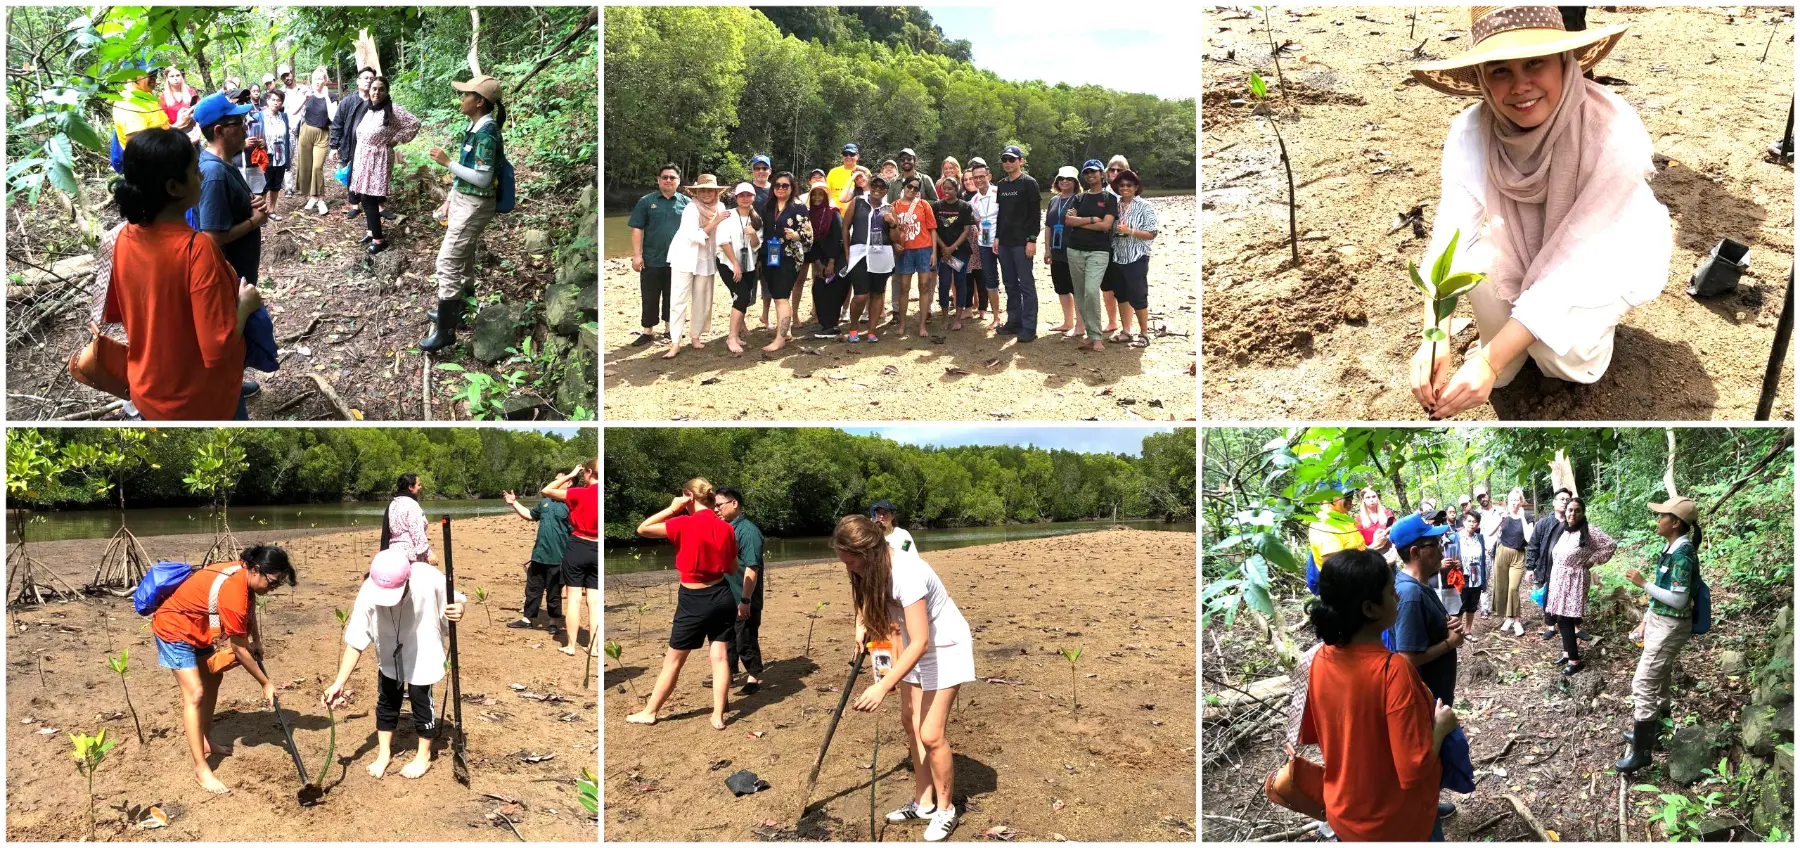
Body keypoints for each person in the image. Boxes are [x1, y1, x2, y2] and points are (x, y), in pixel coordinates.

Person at [1409, 8, 1668, 418]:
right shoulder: (1472, 131)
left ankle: (1578, 346)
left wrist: (1487, 361)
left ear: (1565, 63)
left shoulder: (1615, 135)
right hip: (1519, 241)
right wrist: (1434, 331)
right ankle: (1507, 348)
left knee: (1561, 356)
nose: (1519, 86)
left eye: (1535, 64)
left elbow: (1575, 265)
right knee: (1478, 270)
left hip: (1600, 256)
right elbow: (1451, 234)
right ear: (1481, 78)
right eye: (1499, 71)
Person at [1299, 547, 1458, 841]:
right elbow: (1414, 768)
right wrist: (1441, 726)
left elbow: (1314, 733)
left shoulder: (1320, 658)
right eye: (1390, 591)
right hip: (1394, 821)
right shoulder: (1393, 671)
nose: (1397, 597)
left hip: (1344, 811)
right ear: (1370, 609)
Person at [106, 127, 264, 420]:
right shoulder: (197, 250)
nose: (201, 176)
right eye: (194, 171)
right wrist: (244, 305)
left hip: (148, 390)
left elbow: (127, 310)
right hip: (200, 400)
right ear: (174, 187)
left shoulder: (123, 237)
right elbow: (218, 348)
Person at [835, 514, 975, 843]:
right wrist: (864, 631)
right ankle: (923, 802)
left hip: (944, 647)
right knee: (910, 721)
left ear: (868, 553)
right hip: (911, 643)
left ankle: (946, 810)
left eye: (851, 562)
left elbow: (923, 640)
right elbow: (874, 606)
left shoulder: (907, 573)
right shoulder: (866, 566)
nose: (849, 568)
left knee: (930, 732)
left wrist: (883, 685)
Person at [151, 545, 297, 793]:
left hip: (198, 630)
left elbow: (248, 614)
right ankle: (201, 769)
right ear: (257, 570)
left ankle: (205, 739)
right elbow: (239, 650)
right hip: (173, 629)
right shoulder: (234, 589)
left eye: (277, 586)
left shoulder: (245, 576)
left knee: (213, 679)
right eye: (272, 583)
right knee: (195, 693)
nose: (272, 589)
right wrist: (265, 683)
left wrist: (257, 640)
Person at [322, 544, 465, 779]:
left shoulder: (428, 577)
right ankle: (384, 753)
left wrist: (458, 609)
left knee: (421, 698)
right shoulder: (369, 590)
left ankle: (423, 756)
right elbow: (356, 640)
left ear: (408, 578)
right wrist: (339, 682)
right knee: (387, 698)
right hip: (390, 649)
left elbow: (456, 600)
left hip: (422, 645)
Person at [630, 478, 739, 729]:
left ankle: (650, 712)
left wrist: (672, 508)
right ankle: (718, 715)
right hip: (722, 595)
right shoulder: (726, 528)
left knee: (674, 661)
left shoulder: (682, 523)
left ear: (688, 496)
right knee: (720, 657)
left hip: (693, 600)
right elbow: (732, 568)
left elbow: (643, 529)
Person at [1616, 496, 1702, 772]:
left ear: (1675, 523)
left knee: (1642, 683)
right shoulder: (1670, 548)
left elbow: (1678, 600)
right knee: (1660, 679)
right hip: (1659, 623)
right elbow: (1662, 598)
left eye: (1662, 516)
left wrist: (1643, 583)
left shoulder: (1683, 555)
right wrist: (1644, 622)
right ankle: (1656, 736)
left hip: (1671, 627)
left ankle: (1642, 752)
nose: (1658, 520)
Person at [422, 75, 506, 352]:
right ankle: (458, 313)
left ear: (479, 101)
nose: (462, 99)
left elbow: (482, 179)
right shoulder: (475, 127)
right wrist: (449, 199)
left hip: (475, 204)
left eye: (466, 94)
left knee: (446, 263)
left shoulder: (486, 134)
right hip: (462, 199)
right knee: (465, 257)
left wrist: (447, 162)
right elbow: (467, 176)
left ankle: (446, 331)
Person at [1388, 513, 1464, 822]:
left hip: (1433, 691)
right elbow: (1406, 657)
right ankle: (1423, 815)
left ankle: (1429, 804)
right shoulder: (1408, 595)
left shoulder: (1418, 587)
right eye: (1434, 544)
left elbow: (1422, 633)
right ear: (1416, 552)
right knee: (1423, 753)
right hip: (1422, 695)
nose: (1442, 550)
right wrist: (1450, 644)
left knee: (1432, 753)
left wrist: (1448, 627)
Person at [190, 92, 269, 290]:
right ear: (219, 131)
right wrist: (254, 221)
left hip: (240, 276)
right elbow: (211, 237)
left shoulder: (224, 163)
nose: (245, 128)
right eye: (238, 122)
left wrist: (251, 203)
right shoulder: (213, 172)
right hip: (229, 282)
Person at [1540, 495, 1616, 674]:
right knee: (1559, 617)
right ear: (1565, 513)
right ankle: (1567, 652)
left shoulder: (1589, 531)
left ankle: (1574, 661)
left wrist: (1592, 560)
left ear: (1583, 513)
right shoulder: (1566, 530)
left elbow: (1610, 545)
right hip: (1559, 578)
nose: (1573, 513)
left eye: (1577, 510)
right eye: (1570, 510)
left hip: (1574, 579)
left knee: (1566, 619)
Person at [663, 174, 735, 359]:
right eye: (703, 190)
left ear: (716, 192)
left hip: (706, 257)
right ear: (697, 192)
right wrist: (716, 221)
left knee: (702, 298)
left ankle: (696, 336)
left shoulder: (720, 207)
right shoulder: (690, 208)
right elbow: (694, 235)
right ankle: (675, 342)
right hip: (684, 256)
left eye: (710, 190)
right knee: (679, 299)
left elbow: (724, 233)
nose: (707, 194)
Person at [348, 77, 420, 256]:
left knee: (369, 198)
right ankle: (372, 232)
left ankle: (379, 240)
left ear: (387, 92)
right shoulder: (369, 108)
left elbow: (414, 123)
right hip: (362, 158)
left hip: (378, 158)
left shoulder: (393, 109)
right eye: (373, 89)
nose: (376, 92)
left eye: (381, 89)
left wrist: (396, 139)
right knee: (363, 197)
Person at [540, 462, 600, 657]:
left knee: (573, 599)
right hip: (597, 548)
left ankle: (571, 646)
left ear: (589, 472)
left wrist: (571, 474)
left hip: (578, 545)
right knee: (594, 602)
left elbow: (547, 490)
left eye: (584, 473)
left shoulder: (580, 492)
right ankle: (594, 647)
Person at [628, 164, 688, 346]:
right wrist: (637, 255)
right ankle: (647, 331)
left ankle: (670, 330)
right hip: (651, 258)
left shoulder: (686, 203)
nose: (668, 180)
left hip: (677, 260)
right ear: (658, 180)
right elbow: (637, 228)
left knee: (673, 296)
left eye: (672, 177)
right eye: (665, 177)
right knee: (650, 296)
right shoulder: (646, 201)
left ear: (678, 181)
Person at [714, 487, 765, 696]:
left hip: (745, 597)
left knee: (746, 638)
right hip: (726, 596)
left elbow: (752, 568)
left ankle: (754, 676)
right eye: (714, 505)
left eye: (720, 505)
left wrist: (745, 599)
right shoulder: (725, 529)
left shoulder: (748, 531)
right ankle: (730, 672)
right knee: (728, 638)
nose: (716, 509)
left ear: (734, 503)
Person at [1063, 160, 1118, 354]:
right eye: (1087, 172)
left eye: (1094, 171)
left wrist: (1081, 222)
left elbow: (1106, 226)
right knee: (1079, 292)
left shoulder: (1109, 198)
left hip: (1098, 251)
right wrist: (1093, 219)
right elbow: (1069, 220)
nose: (1090, 175)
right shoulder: (1079, 198)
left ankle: (1096, 336)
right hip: (1075, 249)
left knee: (1092, 291)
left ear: (1102, 174)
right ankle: (1090, 332)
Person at [502, 486, 568, 637]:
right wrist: (513, 503)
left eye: (559, 480)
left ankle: (553, 622)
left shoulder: (572, 504)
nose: (555, 484)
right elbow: (530, 515)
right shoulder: (545, 502)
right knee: (532, 589)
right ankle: (527, 619)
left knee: (554, 592)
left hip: (559, 557)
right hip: (539, 555)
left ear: (569, 483)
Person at [993, 146, 1041, 342]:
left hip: (1022, 243)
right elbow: (1001, 214)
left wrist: (1032, 239)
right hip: (1004, 242)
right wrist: (996, 237)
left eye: (1012, 159)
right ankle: (1014, 321)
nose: (1007, 163)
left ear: (1020, 161)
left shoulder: (1029, 183)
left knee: (1026, 285)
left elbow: (1035, 215)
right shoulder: (1002, 185)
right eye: (1004, 159)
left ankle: (1029, 327)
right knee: (1010, 284)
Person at [758, 172, 809, 353]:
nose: (780, 188)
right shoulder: (767, 206)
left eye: (785, 185)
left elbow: (808, 236)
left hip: (789, 258)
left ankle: (780, 339)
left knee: (780, 297)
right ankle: (785, 332)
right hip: (769, 257)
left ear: (792, 187)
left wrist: (796, 235)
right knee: (778, 296)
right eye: (777, 185)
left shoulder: (798, 207)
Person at [1109, 169, 1159, 348]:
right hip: (1118, 256)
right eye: (1121, 185)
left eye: (1129, 185)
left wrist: (1131, 231)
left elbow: (1152, 233)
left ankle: (1144, 333)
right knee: (1121, 295)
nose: (1125, 188)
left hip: (1137, 256)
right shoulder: (1114, 205)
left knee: (1138, 295)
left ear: (1136, 187)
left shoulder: (1145, 206)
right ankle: (1126, 331)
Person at [843, 174, 896, 343]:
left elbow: (895, 237)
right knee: (860, 295)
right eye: (875, 185)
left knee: (878, 293)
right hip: (860, 254)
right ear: (870, 185)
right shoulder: (858, 202)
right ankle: (853, 327)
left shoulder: (889, 208)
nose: (877, 189)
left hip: (882, 254)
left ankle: (872, 331)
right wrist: (847, 251)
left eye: (881, 187)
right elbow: (845, 227)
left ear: (886, 190)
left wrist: (893, 223)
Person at [718, 183, 763, 355]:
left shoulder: (757, 218)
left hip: (749, 264)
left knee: (743, 298)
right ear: (736, 198)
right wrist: (735, 263)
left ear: (753, 197)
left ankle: (735, 335)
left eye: (748, 195)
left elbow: (756, 246)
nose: (745, 198)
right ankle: (731, 337)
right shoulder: (728, 216)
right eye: (741, 195)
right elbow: (723, 242)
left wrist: (752, 233)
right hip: (728, 263)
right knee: (742, 296)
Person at [891, 177, 939, 336]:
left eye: (916, 188)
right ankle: (903, 323)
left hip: (924, 249)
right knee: (904, 287)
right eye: (909, 187)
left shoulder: (923, 205)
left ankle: (922, 325)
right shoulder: (894, 206)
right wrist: (894, 244)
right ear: (903, 187)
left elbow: (932, 229)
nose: (912, 190)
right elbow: (892, 230)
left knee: (924, 286)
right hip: (905, 251)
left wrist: (934, 252)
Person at [330, 67, 378, 221]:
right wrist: (333, 146)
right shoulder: (347, 102)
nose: (368, 81)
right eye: (365, 78)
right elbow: (337, 123)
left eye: (371, 78)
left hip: (370, 147)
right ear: (358, 81)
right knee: (351, 174)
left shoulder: (377, 101)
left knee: (370, 173)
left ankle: (372, 203)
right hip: (350, 145)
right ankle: (354, 205)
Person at [1526, 487, 1574, 636]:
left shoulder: (1573, 523)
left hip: (1566, 568)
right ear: (1554, 502)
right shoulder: (1543, 523)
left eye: (1567, 500)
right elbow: (1534, 545)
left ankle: (1571, 626)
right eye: (1561, 499)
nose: (1564, 502)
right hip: (1545, 566)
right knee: (1546, 596)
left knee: (1567, 596)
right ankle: (1551, 626)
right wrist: (1530, 567)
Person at [804, 179, 846, 339]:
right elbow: (811, 241)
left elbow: (838, 239)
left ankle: (832, 325)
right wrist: (818, 263)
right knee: (818, 289)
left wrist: (831, 262)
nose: (817, 198)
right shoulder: (809, 216)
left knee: (834, 290)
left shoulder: (833, 213)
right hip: (819, 259)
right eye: (814, 195)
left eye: (820, 195)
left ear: (826, 196)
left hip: (836, 258)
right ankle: (824, 324)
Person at [932, 176, 975, 331]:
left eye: (950, 189)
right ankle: (944, 316)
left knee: (960, 282)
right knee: (943, 283)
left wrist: (953, 248)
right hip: (943, 253)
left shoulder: (964, 206)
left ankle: (958, 317)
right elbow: (933, 230)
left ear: (957, 190)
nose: (947, 191)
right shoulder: (936, 206)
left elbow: (966, 230)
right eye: (945, 188)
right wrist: (944, 248)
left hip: (960, 251)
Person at [293, 67, 338, 215]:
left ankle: (321, 200)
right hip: (306, 132)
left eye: (321, 78)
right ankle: (312, 196)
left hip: (322, 133)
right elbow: (293, 111)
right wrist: (304, 99)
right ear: (312, 81)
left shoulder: (332, 97)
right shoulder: (307, 94)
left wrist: (325, 97)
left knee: (317, 167)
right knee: (306, 166)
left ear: (325, 80)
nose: (318, 82)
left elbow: (333, 117)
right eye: (316, 79)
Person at [1042, 166, 1080, 336]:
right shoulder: (1053, 201)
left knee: (1076, 288)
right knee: (1061, 287)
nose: (1065, 181)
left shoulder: (1079, 199)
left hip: (1073, 250)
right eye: (1061, 178)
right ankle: (1067, 321)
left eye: (1069, 179)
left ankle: (1080, 324)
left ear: (1075, 182)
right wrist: (1047, 249)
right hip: (1056, 251)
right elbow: (1048, 227)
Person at [1489, 488, 1530, 636]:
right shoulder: (1502, 515)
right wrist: (1501, 520)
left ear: (1521, 501)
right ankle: (1508, 617)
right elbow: (1489, 533)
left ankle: (1517, 621)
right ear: (1508, 502)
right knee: (1503, 586)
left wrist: (1523, 518)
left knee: (1513, 588)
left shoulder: (1528, 517)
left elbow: (1529, 538)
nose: (1514, 503)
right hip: (1502, 552)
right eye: (1511, 500)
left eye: (1517, 500)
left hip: (1518, 555)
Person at [1098, 155, 1132, 337]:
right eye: (1112, 169)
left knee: (1125, 288)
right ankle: (1111, 322)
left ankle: (1127, 327)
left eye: (1120, 170)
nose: (1115, 173)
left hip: (1126, 248)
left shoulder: (1131, 193)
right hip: (1104, 246)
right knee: (1107, 287)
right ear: (1106, 172)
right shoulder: (1101, 193)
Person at [967, 161, 1001, 329]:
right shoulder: (973, 200)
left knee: (1010, 278)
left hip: (1003, 242)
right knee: (990, 279)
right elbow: (978, 221)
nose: (978, 180)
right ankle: (996, 317)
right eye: (975, 178)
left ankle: (1017, 315)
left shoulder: (999, 192)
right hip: (984, 244)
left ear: (989, 176)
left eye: (982, 176)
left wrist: (999, 237)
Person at [1444, 511, 1489, 639]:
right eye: (1469, 521)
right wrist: (1455, 563)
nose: (1472, 524)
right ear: (1463, 521)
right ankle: (1455, 633)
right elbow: (1450, 557)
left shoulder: (1479, 538)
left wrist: (1484, 580)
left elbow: (1483, 559)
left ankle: (1468, 631)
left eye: (1475, 521)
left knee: (1472, 605)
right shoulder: (1454, 537)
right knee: (1459, 606)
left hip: (1477, 576)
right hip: (1461, 576)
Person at [113, 57, 172, 152]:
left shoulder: (146, 95)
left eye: (155, 73)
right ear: (132, 76)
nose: (155, 77)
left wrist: (179, 126)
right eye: (150, 73)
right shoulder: (128, 106)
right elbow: (141, 152)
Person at [380, 473, 438, 565]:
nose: (420, 487)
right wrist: (428, 554)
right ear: (410, 487)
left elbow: (386, 533)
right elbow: (416, 531)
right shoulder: (412, 505)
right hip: (410, 555)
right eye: (418, 485)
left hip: (393, 553)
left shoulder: (392, 504)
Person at [258, 90, 292, 219]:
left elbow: (287, 138)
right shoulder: (260, 116)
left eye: (279, 100)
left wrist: (288, 159)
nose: (276, 103)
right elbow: (255, 134)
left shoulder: (283, 116)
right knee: (263, 185)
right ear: (267, 100)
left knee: (276, 184)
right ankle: (261, 213)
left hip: (281, 155)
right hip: (266, 155)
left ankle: (272, 210)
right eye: (273, 100)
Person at [828, 143, 861, 215]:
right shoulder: (833, 172)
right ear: (842, 156)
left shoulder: (863, 172)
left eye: (852, 154)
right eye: (845, 154)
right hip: (835, 214)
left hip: (856, 215)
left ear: (857, 156)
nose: (848, 156)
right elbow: (827, 193)